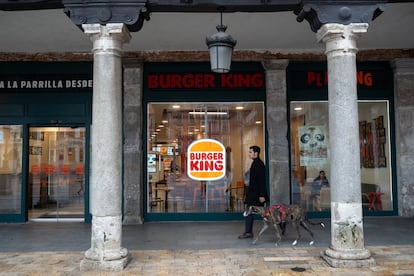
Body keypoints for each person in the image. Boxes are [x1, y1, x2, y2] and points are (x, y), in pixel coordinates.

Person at [238, 145, 269, 239]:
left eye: (250, 152)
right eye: (249, 152)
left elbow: (261, 181)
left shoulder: (259, 164)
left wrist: (262, 195)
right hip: (253, 194)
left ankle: (248, 232)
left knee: (254, 212)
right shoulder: (255, 163)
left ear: (256, 153)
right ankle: (248, 232)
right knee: (251, 212)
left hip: (256, 195)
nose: (249, 154)